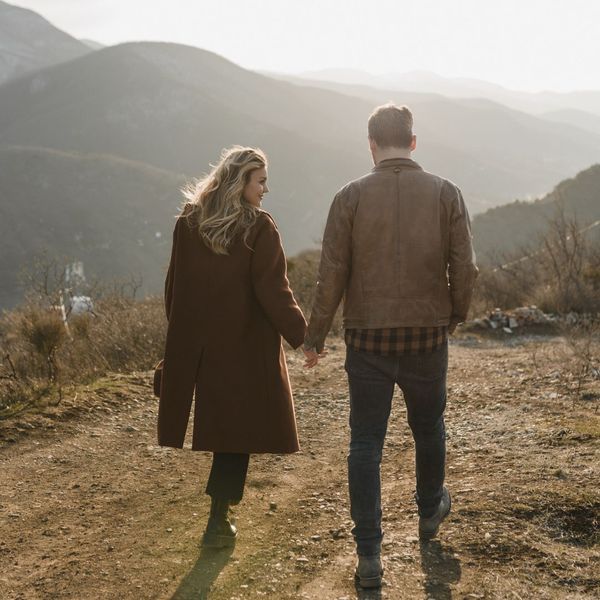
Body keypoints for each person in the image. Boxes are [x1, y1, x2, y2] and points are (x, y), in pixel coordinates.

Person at [303, 104, 478, 588]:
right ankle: (428, 512)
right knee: (428, 427)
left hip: (366, 340)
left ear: (372, 145)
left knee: (365, 442)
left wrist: (314, 337)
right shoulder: (446, 193)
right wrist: (454, 314)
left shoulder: (350, 196)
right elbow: (464, 268)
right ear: (414, 141)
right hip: (426, 336)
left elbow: (331, 275)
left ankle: (369, 556)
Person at [157, 146, 309, 548]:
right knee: (234, 435)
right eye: (260, 181)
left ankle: (219, 522)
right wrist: (304, 337)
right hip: (243, 347)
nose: (265, 189)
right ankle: (217, 521)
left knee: (227, 433)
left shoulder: (188, 222)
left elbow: (174, 290)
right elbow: (275, 291)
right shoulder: (259, 226)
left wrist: (182, 341)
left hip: (200, 345)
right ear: (240, 181)